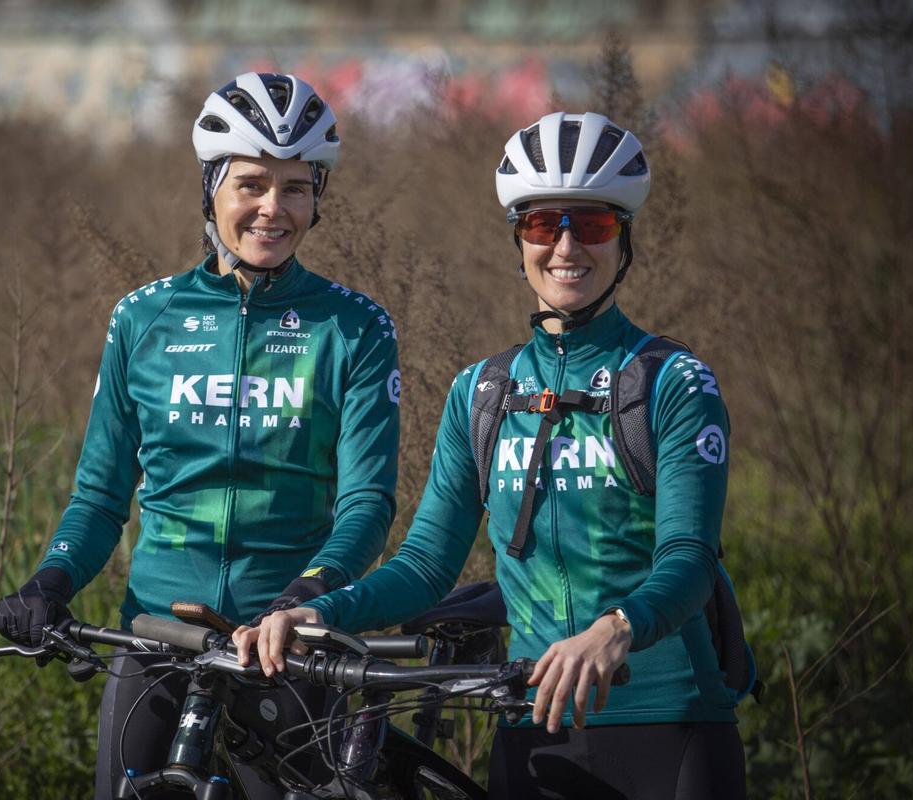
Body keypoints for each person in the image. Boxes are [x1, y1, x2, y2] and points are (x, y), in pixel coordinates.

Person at [234, 111, 746, 799]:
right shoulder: (482, 392)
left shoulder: (673, 381)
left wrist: (616, 629)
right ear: (519, 239)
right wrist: (321, 613)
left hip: (671, 728)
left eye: (593, 226)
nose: (566, 246)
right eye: (542, 225)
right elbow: (424, 565)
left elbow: (688, 558)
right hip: (530, 732)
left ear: (624, 240)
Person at [0, 72, 401, 798]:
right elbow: (100, 495)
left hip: (290, 648)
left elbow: (367, 503)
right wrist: (49, 582)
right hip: (157, 639)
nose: (274, 208)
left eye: (296, 187)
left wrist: (303, 598)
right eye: (251, 184)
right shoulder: (144, 318)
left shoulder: (354, 328)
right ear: (210, 187)